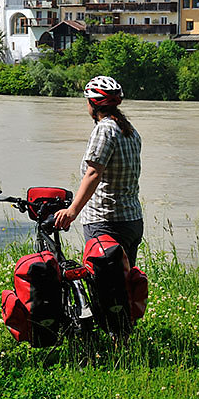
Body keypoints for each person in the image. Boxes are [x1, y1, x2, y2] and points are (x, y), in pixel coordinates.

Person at [54, 75, 143, 267]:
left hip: (106, 221)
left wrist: (72, 211)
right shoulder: (129, 130)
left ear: (93, 104)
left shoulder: (104, 130)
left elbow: (93, 174)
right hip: (132, 220)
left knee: (103, 288)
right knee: (124, 287)